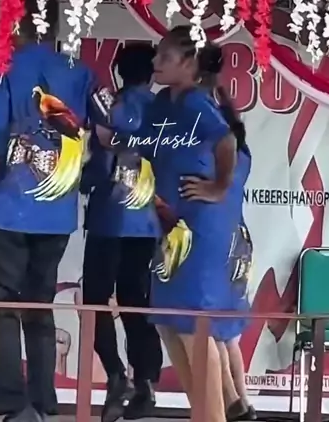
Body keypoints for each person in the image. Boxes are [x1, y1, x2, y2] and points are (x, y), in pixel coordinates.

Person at [0, 0, 96, 422]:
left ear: (17, 24)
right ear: (53, 25)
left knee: (0, 301)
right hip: (57, 210)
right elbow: (106, 128)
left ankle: (11, 401)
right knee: (40, 302)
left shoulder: (1, 70)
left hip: (11, 206)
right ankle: (43, 400)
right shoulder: (80, 72)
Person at [97, 25, 236, 422]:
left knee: (193, 326)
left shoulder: (197, 103)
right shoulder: (161, 103)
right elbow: (135, 139)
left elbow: (226, 142)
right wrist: (103, 128)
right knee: (170, 325)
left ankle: (214, 417)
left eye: (165, 57)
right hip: (168, 226)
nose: (155, 62)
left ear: (189, 64)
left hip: (199, 226)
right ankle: (201, 413)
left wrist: (218, 187)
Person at [81, 43, 163, 422]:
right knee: (136, 301)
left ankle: (115, 374)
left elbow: (99, 167)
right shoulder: (164, 112)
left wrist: (84, 181)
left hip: (108, 220)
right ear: (152, 74)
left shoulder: (110, 108)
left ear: (118, 71)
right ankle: (145, 381)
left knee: (96, 302)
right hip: (146, 222)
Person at [180, 42, 255, 421]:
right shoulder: (239, 143)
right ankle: (240, 402)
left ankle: (229, 403)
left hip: (212, 240)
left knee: (204, 328)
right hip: (236, 241)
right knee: (224, 332)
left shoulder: (204, 129)